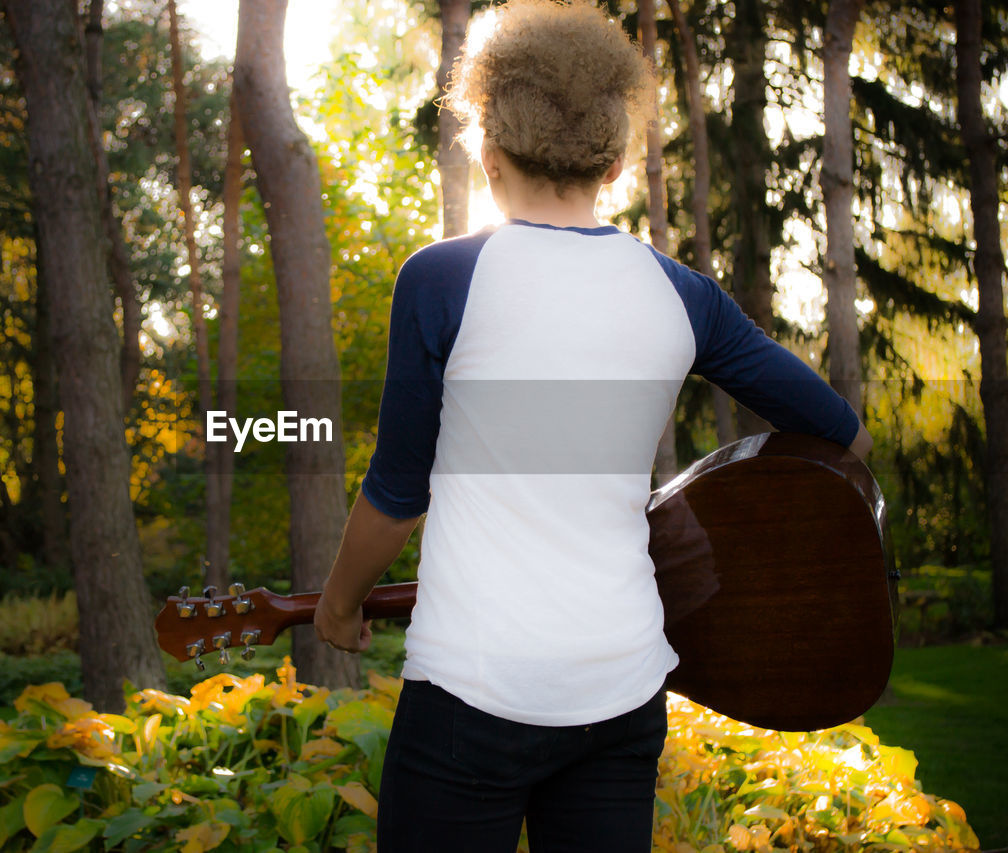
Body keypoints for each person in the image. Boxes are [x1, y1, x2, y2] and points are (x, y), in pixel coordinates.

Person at [314, 2, 872, 850]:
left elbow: (397, 494)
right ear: (613, 162)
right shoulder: (682, 296)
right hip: (621, 694)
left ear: (487, 149)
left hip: (473, 690)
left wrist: (337, 602)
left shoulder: (440, 282)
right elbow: (840, 433)